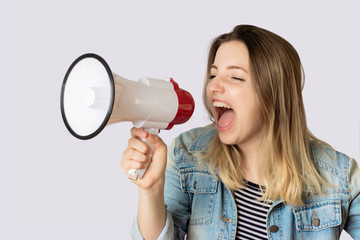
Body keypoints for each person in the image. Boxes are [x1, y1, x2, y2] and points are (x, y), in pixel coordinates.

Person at [120, 25, 360, 240]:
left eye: (235, 77)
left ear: (274, 94)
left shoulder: (339, 178)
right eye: (213, 75)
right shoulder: (188, 156)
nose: (212, 86)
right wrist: (150, 190)